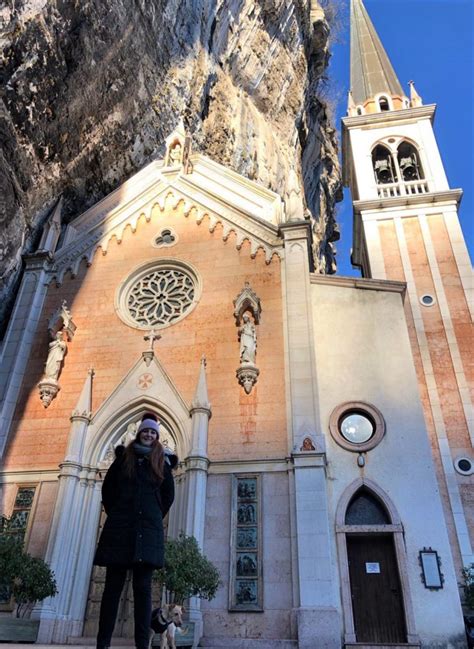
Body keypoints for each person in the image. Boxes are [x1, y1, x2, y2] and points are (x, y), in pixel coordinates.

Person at [94, 413, 178, 649]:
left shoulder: (163, 462)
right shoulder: (123, 459)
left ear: (156, 436)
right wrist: (119, 512)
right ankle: (102, 644)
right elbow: (108, 490)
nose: (149, 435)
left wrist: (152, 515)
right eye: (145, 431)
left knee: (142, 594)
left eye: (153, 432)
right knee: (112, 591)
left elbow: (168, 496)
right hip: (120, 531)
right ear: (139, 433)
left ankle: (142, 646)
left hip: (147, 534)